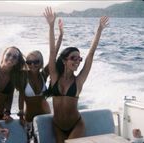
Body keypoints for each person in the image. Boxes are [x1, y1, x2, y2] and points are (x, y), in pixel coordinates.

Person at [44, 7, 109, 142]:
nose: (77, 61)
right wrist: (51, 26)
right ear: (64, 60)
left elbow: (90, 54)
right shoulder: (55, 76)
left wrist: (99, 30)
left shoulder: (79, 81)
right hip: (57, 125)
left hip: (76, 125)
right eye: (73, 58)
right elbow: (51, 52)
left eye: (79, 59)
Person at [18, 19, 64, 143]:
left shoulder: (44, 74)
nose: (32, 65)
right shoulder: (23, 76)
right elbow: (21, 97)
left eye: (36, 62)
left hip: (46, 116)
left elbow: (53, 53)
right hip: (29, 118)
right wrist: (20, 114)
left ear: (41, 63)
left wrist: (59, 34)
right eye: (29, 62)